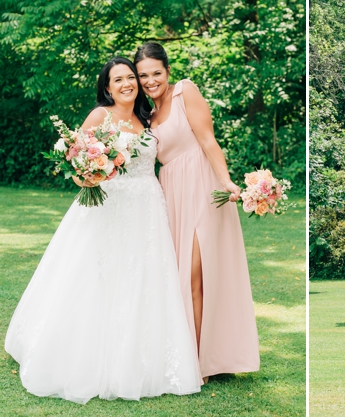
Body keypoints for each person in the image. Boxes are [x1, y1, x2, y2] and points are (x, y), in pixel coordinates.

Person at [5, 58, 201, 403]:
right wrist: (88, 174)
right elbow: (76, 158)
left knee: (144, 279)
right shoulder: (100, 115)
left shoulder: (146, 117)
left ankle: (142, 359)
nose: (127, 83)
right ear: (107, 87)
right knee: (96, 276)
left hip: (147, 208)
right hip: (109, 206)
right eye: (118, 79)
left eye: (130, 77)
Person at [136, 42, 259, 380]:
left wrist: (227, 181)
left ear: (167, 71)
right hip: (170, 193)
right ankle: (193, 356)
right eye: (143, 75)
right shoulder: (145, 114)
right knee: (182, 277)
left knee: (198, 274)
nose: (150, 80)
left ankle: (204, 361)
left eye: (156, 73)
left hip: (202, 187)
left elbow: (208, 141)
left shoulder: (184, 92)